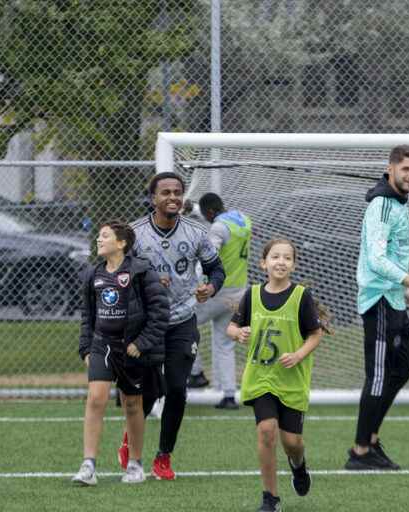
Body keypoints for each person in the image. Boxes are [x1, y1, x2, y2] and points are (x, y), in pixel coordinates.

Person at [119, 171, 225, 480]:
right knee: (149, 391)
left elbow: (216, 269)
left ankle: (163, 457)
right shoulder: (135, 233)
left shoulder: (195, 233)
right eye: (165, 192)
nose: (172, 197)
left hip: (182, 320)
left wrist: (212, 288)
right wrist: (146, 279)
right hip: (147, 323)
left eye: (177, 192)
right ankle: (130, 440)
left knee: (178, 389)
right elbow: (118, 271)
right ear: (153, 199)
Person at [345, 145, 409, 471]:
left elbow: (391, 255)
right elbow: (376, 259)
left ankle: (370, 438)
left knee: (404, 368)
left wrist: (404, 289)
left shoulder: (398, 203)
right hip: (379, 301)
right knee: (378, 376)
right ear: (391, 169)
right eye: (406, 170)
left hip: (394, 297)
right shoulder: (383, 205)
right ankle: (361, 450)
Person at [227, 238, 328, 512]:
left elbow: (315, 334)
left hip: (291, 380)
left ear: (293, 264)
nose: (280, 262)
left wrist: (298, 355)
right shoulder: (252, 294)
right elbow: (232, 327)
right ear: (263, 263)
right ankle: (270, 499)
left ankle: (298, 465)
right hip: (260, 377)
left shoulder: (300, 296)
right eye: (275, 257)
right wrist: (239, 333)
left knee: (292, 442)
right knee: (266, 431)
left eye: (286, 258)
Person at [72, 221, 169, 486]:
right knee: (95, 398)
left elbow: (160, 312)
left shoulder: (141, 271)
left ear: (122, 243)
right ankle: (88, 465)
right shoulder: (93, 274)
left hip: (131, 349)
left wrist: (142, 343)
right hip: (102, 344)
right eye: (99, 236)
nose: (99, 240)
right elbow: (87, 316)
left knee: (132, 404)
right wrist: (85, 347)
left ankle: (135, 464)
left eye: (105, 236)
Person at [189, 192, 253, 409]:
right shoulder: (243, 219)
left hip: (217, 292)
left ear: (209, 213)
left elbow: (209, 256)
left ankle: (196, 373)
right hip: (239, 293)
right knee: (225, 344)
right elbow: (213, 215)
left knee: (185, 325)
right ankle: (228, 395)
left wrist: (197, 283)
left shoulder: (217, 229)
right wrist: (193, 209)